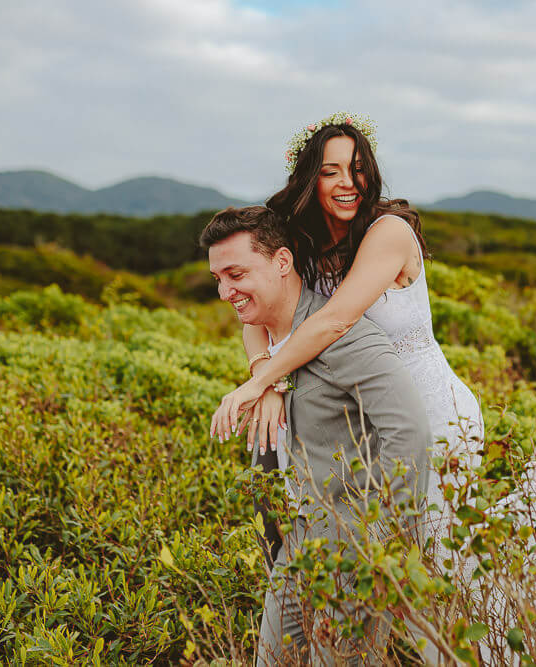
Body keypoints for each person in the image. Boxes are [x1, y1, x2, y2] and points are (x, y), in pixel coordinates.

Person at [209, 112, 485, 568]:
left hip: (427, 413)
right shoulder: (300, 245)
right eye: (330, 171)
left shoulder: (388, 233)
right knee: (361, 558)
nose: (348, 182)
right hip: (356, 424)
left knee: (433, 557)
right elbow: (256, 317)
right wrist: (267, 377)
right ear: (308, 180)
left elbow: (335, 320)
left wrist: (261, 383)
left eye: (357, 169)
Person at [200, 205, 432, 665]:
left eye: (236, 274)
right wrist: (265, 378)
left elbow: (410, 434)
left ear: (282, 262)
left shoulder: (344, 337)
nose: (225, 292)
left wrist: (372, 541)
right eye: (218, 279)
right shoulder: (267, 350)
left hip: (353, 546)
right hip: (297, 546)